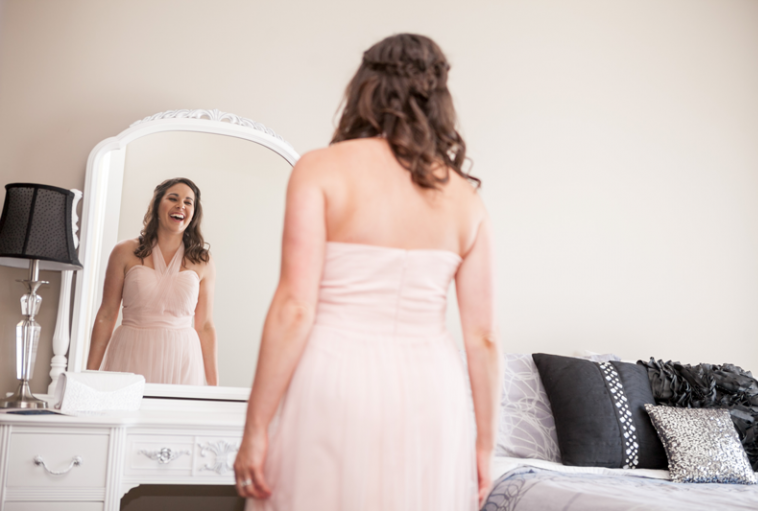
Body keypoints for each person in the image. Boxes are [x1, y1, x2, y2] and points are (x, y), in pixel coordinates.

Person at [234, 33, 500, 510]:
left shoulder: (320, 170)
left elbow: (295, 308)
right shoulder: (467, 199)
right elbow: (483, 338)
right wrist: (484, 446)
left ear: (365, 87)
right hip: (430, 388)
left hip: (337, 376)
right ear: (439, 97)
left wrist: (255, 429)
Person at [86, 177, 218, 386]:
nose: (180, 205)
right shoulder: (124, 252)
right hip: (131, 353)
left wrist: (214, 388)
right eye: (173, 198)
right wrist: (89, 375)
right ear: (157, 205)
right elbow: (107, 313)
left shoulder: (203, 261)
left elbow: (205, 326)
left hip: (182, 359)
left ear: (194, 213)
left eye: (188, 202)